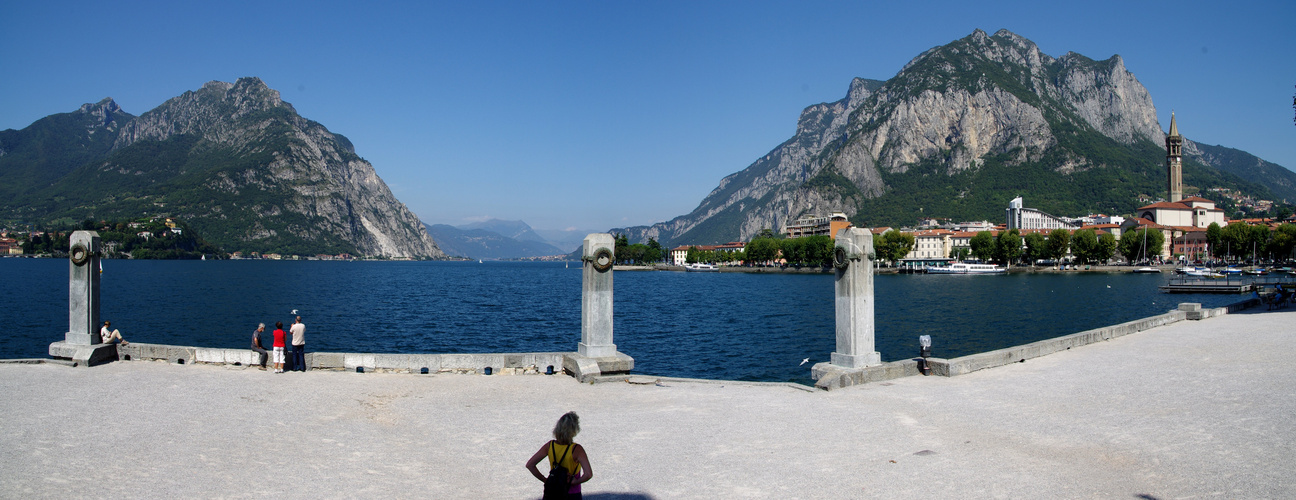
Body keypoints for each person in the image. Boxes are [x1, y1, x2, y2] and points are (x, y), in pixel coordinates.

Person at [526, 411, 592, 499]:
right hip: (571, 493)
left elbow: (530, 465)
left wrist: (545, 479)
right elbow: (588, 474)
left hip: (552, 491)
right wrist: (575, 481)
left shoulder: (550, 446)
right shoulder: (577, 449)